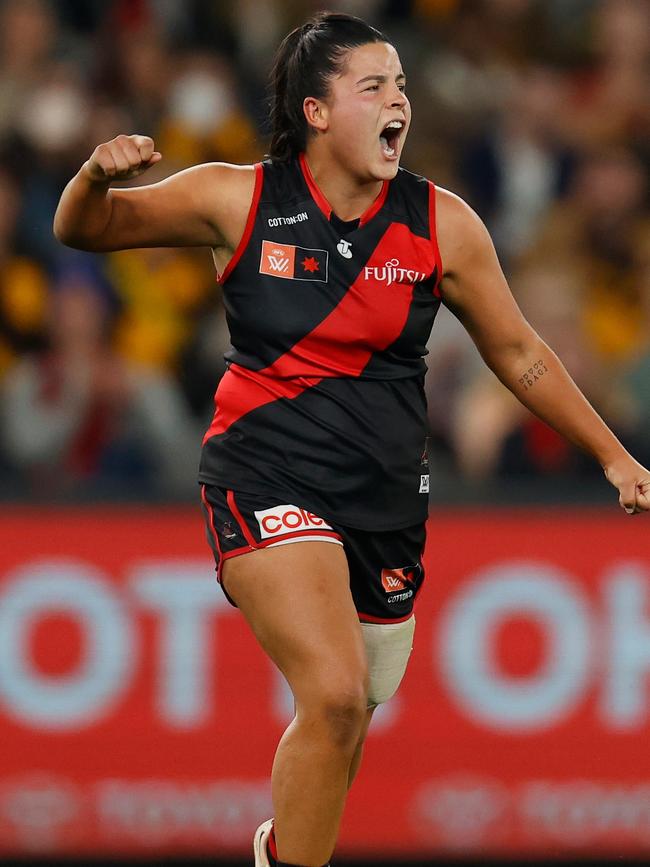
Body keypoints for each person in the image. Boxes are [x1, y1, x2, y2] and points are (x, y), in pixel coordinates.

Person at [53, 12, 650, 867]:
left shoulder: (443, 224)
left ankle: (281, 849)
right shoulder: (239, 196)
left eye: (402, 85)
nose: (397, 100)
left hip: (385, 503)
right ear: (317, 111)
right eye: (374, 85)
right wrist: (92, 178)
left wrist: (614, 455)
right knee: (332, 695)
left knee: (346, 722)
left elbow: (519, 353)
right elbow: (87, 229)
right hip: (261, 475)